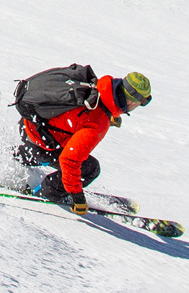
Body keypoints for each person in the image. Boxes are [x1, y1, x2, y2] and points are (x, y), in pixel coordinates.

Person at [14, 68, 151, 214]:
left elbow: (79, 114)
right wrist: (77, 196)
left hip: (29, 123)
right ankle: (48, 193)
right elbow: (69, 160)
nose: (138, 106)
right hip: (39, 142)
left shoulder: (98, 87)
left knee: (63, 146)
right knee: (90, 168)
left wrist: (109, 116)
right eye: (140, 103)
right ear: (131, 101)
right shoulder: (97, 123)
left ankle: (16, 156)